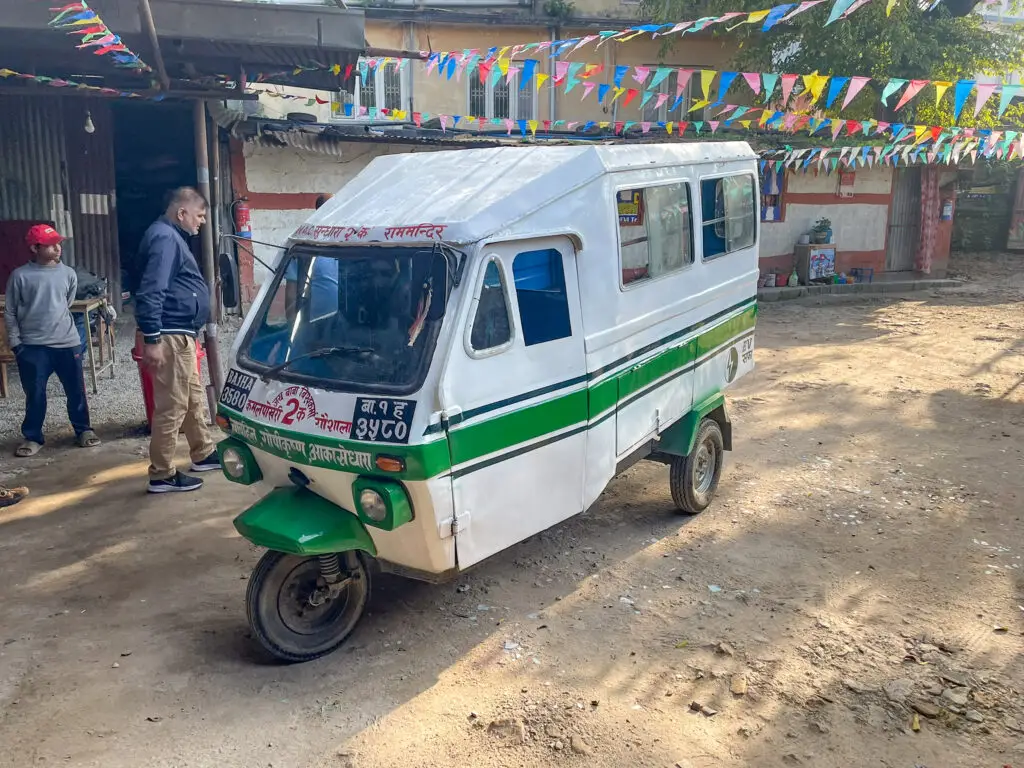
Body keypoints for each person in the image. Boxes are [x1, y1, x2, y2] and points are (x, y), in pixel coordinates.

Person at [135, 187, 220, 494]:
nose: (202, 223)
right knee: (172, 405)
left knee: (193, 398)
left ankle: (204, 453)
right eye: (199, 216)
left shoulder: (171, 237)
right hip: (170, 335)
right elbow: (152, 290)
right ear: (181, 213)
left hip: (181, 334)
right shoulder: (164, 238)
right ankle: (162, 474)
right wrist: (153, 338)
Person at [4, 224, 100, 457]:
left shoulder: (68, 273)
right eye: (51, 245)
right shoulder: (20, 276)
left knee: (76, 390)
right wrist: (17, 344)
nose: (58, 248)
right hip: (33, 347)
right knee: (35, 393)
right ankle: (33, 436)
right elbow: (10, 311)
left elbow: (66, 303)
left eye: (59, 244)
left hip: (66, 343)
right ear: (35, 247)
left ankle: (83, 430)